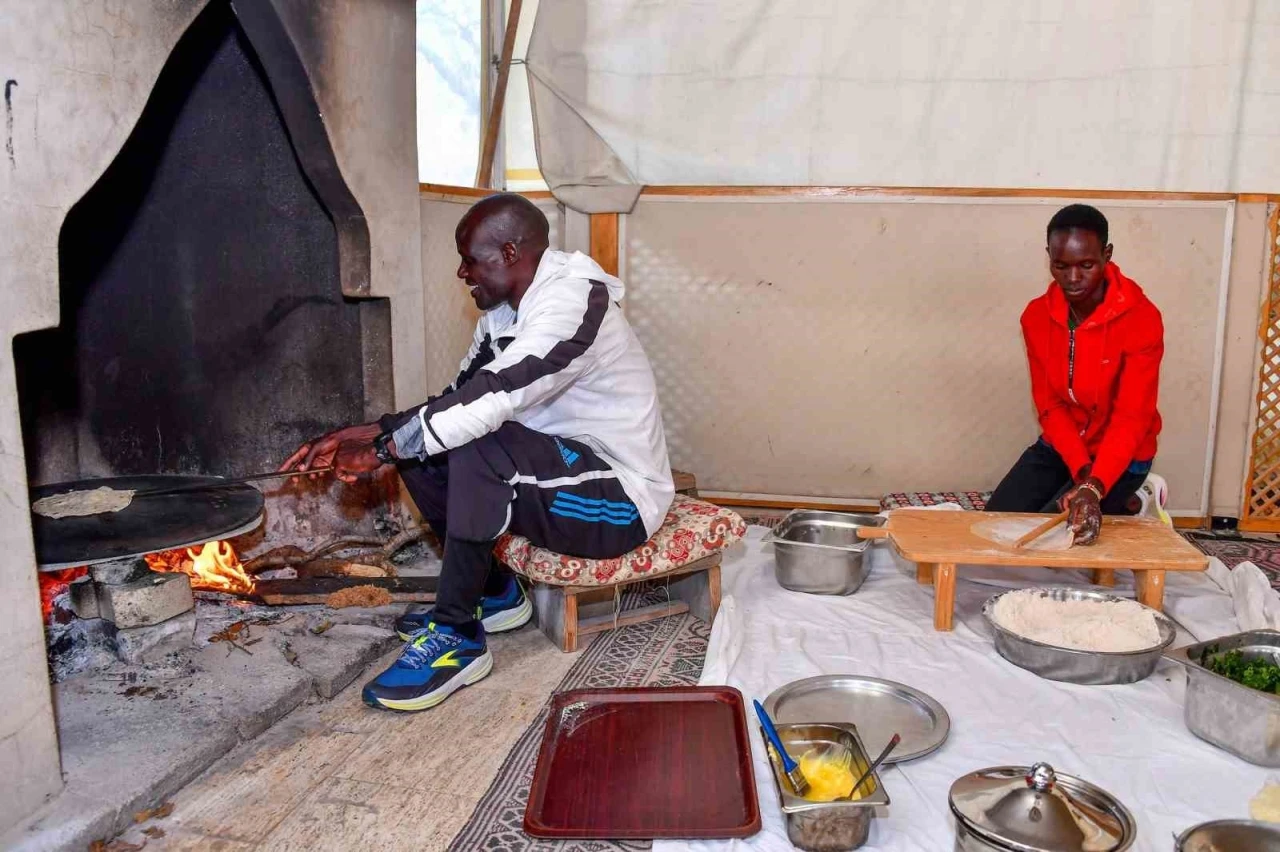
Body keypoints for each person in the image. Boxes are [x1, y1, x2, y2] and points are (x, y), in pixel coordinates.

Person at [280, 194, 674, 712]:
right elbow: (456, 398)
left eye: (471, 258)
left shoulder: (575, 302)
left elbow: (496, 396)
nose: (462, 271)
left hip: (617, 500)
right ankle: (494, 594)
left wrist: (381, 447)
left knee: (472, 440)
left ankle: (457, 636)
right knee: (430, 441)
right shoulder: (503, 314)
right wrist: (364, 432)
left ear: (510, 252)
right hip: (555, 473)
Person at [985, 204, 1164, 545]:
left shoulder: (1142, 318)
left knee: (1057, 542)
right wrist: (1083, 474)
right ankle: (1110, 498)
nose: (1073, 278)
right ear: (1048, 257)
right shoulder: (1035, 317)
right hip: (1065, 445)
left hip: (1123, 453)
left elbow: (1131, 416)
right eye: (1061, 265)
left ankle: (1135, 499)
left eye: (1086, 265)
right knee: (998, 527)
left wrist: (1093, 487)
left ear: (1107, 255)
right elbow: (1049, 405)